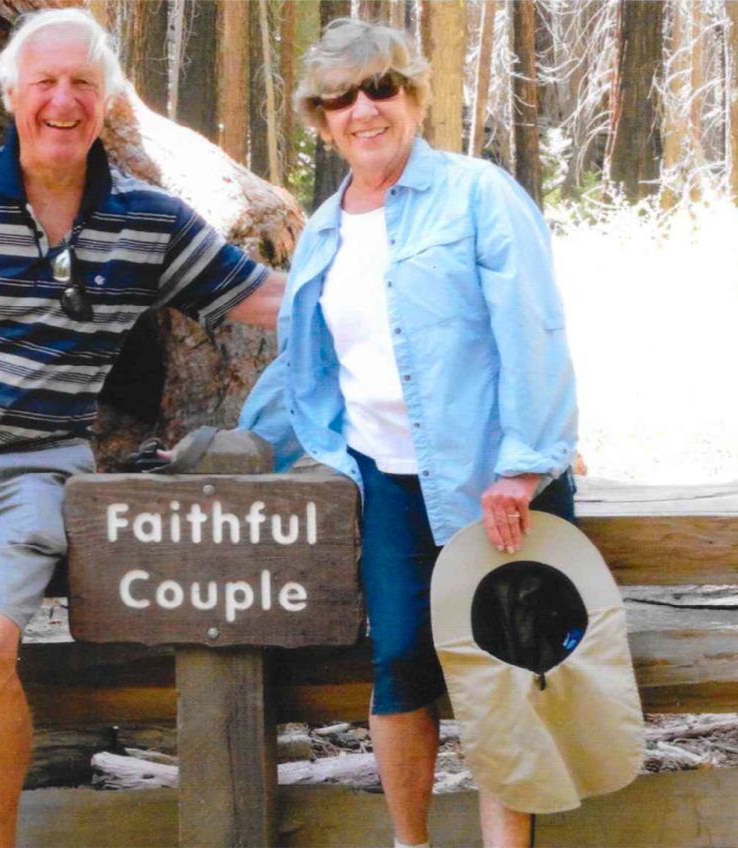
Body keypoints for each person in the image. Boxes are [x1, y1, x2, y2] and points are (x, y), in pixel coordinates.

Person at [0, 9, 284, 845]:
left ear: (107, 101)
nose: (63, 101)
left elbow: (266, 299)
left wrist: (390, 297)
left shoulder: (149, 220)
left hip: (36, 469)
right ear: (10, 96)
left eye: (82, 84)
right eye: (45, 83)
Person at [239, 18, 577, 848]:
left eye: (382, 87)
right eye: (342, 97)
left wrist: (524, 468)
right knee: (398, 666)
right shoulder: (322, 230)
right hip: (386, 479)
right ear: (322, 119)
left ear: (414, 97)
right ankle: (410, 842)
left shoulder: (477, 193)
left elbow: (532, 331)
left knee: (504, 671)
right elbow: (311, 366)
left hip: (493, 482)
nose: (365, 109)